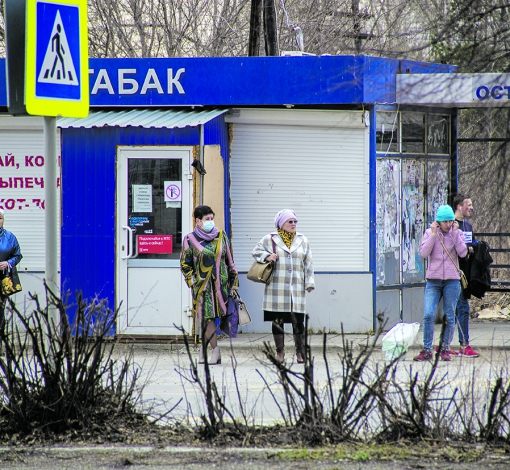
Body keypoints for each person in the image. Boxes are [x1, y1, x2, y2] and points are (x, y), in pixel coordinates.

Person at [252, 209, 314, 363]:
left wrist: (309, 282)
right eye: (290, 221)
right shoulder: (270, 239)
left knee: (298, 321)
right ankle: (280, 352)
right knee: (278, 320)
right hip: (276, 287)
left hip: (297, 288)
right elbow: (256, 252)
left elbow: (308, 262)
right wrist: (267, 256)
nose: (293, 224)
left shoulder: (303, 240)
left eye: (295, 221)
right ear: (281, 224)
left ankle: (300, 352)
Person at [180, 205, 238, 365]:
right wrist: (193, 283)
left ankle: (203, 350)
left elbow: (230, 260)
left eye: (212, 218)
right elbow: (185, 264)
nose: (210, 222)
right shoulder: (189, 239)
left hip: (221, 286)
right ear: (198, 221)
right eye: (207, 219)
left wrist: (234, 282)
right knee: (207, 318)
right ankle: (215, 350)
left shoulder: (221, 235)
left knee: (211, 318)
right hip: (202, 288)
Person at [414, 205, 467, 362]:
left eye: (450, 221)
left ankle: (445, 348)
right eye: (445, 222)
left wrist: (456, 234)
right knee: (428, 314)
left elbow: (463, 253)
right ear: (438, 222)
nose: (448, 224)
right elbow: (424, 253)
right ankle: (427, 349)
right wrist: (433, 235)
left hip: (452, 280)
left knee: (449, 315)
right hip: (434, 280)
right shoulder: (430, 233)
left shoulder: (456, 233)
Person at [453, 194, 479, 357]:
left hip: (466, 275)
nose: (471, 207)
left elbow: (473, 245)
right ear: (459, 207)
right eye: (468, 205)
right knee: (462, 308)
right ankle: (463, 345)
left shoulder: (468, 226)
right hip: (453, 273)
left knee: (459, 308)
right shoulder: (452, 226)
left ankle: (450, 344)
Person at [0, 209, 23, 331]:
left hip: (3, 279)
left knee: (0, 310)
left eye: (0, 218)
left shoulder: (10, 237)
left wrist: (8, 263)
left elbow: (17, 255)